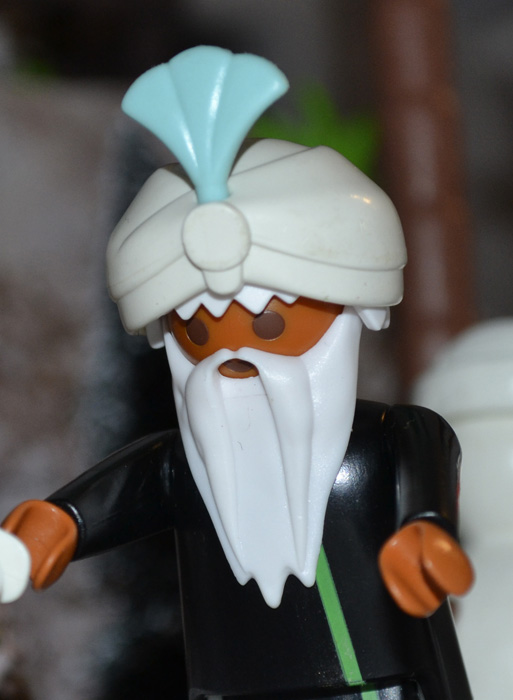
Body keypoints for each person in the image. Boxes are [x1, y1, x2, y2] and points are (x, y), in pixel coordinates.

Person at [0, 47, 473, 699]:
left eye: (270, 326)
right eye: (198, 334)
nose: (232, 357)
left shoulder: (385, 443)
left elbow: (429, 483)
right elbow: (111, 499)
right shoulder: (187, 469)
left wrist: (426, 531)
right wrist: (54, 525)